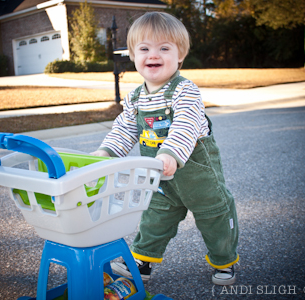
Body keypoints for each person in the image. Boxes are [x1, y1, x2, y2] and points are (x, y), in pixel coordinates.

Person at [91, 11, 239, 285]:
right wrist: (106, 153)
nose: (153, 55)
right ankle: (143, 259)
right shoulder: (135, 97)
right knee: (155, 216)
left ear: (180, 55)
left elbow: (185, 125)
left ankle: (224, 260)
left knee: (214, 215)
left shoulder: (186, 91)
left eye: (164, 48)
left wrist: (170, 153)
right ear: (133, 55)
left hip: (196, 175)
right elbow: (125, 129)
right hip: (160, 178)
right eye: (144, 48)